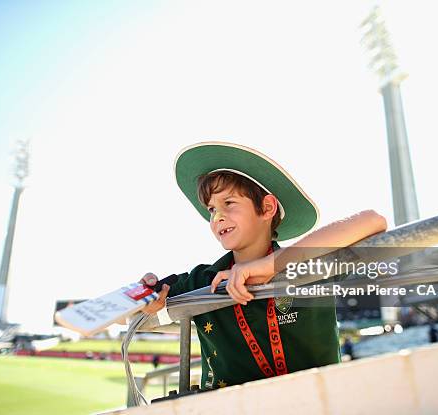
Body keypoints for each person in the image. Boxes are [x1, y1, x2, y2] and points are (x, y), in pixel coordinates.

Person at [139, 142, 387, 390]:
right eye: (212, 209)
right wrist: (146, 297)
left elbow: (373, 220)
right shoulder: (202, 280)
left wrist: (272, 265)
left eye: (229, 203)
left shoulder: (308, 264)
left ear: (267, 207)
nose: (217, 217)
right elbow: (123, 315)